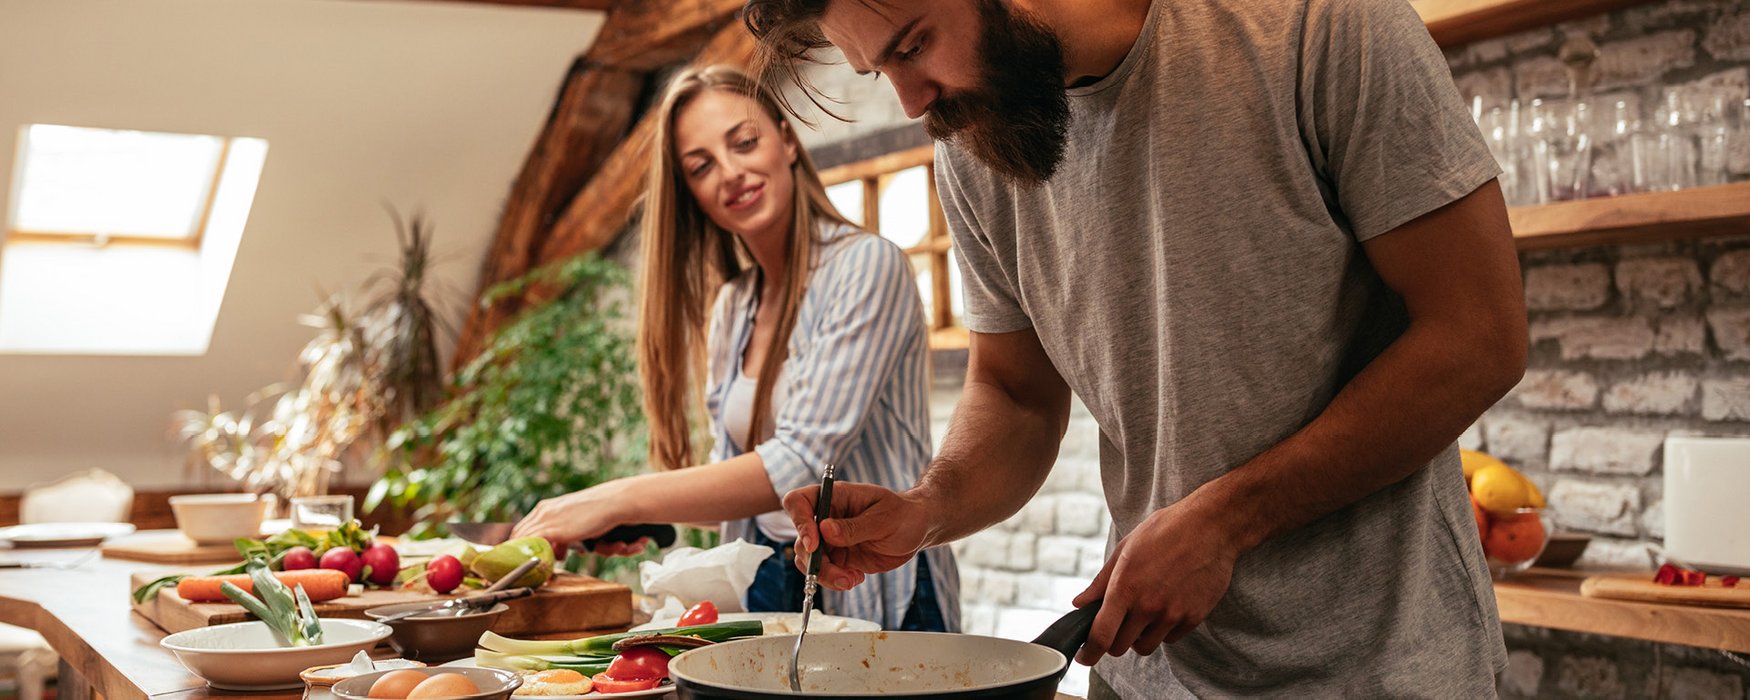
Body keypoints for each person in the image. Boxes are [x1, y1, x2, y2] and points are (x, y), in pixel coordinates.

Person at [743, 0, 1527, 696]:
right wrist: (928, 507)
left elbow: (1479, 337)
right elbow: (1016, 397)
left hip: (1382, 669)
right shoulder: (976, 147)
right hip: (1143, 674)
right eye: (880, 71)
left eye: (911, 47)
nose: (913, 104)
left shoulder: (1318, 26)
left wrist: (1226, 521)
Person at [511, 64, 957, 633]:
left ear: (787, 140)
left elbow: (799, 460)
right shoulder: (735, 305)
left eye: (744, 143)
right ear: (692, 194)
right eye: (701, 167)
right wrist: (658, 524)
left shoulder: (866, 266)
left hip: (879, 588)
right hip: (773, 582)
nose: (731, 173)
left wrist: (615, 499)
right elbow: (741, 484)